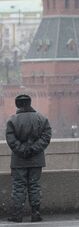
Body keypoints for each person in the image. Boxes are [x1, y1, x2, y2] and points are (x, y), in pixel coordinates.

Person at [5, 94, 52, 223]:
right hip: (36, 159)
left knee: (19, 186)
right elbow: (46, 136)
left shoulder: (12, 120)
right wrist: (33, 149)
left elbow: (11, 139)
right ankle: (35, 213)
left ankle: (17, 215)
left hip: (19, 160)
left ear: (17, 105)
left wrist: (22, 150)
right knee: (34, 186)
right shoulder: (41, 119)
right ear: (30, 103)